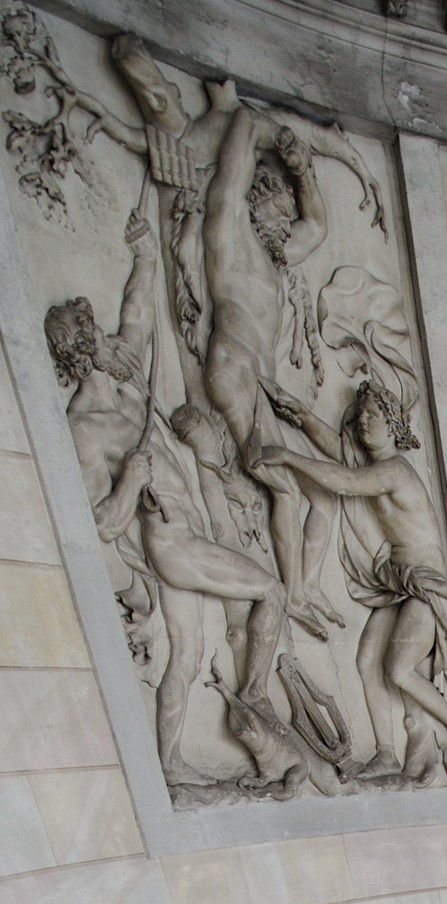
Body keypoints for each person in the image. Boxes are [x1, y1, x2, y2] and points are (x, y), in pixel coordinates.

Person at [45, 209, 283, 784]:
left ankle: (170, 766)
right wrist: (131, 478)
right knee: (271, 589)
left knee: (188, 653)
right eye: (91, 334)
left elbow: (138, 314)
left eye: (97, 328)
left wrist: (146, 252)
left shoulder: (126, 381)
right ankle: (255, 692)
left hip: (185, 533)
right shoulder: (85, 428)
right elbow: (102, 523)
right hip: (172, 541)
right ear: (79, 351)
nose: (107, 338)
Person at [199, 99, 382, 634]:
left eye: (289, 218)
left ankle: (306, 587)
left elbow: (317, 226)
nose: (290, 227)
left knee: (323, 495)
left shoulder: (273, 254)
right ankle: (292, 597)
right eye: (280, 213)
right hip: (232, 370)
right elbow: (240, 136)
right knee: (285, 488)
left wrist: (302, 171)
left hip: (261, 385)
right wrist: (255, 126)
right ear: (255, 206)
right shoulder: (229, 237)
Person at [260, 380, 447, 777]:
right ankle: (385, 754)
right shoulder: (372, 464)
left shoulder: (394, 471)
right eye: (360, 414)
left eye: (373, 415)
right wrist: (303, 415)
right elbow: (339, 451)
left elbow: (346, 482)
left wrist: (288, 457)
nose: (363, 421)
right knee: (366, 660)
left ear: (393, 425)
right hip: (397, 583)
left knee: (399, 669)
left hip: (426, 585)